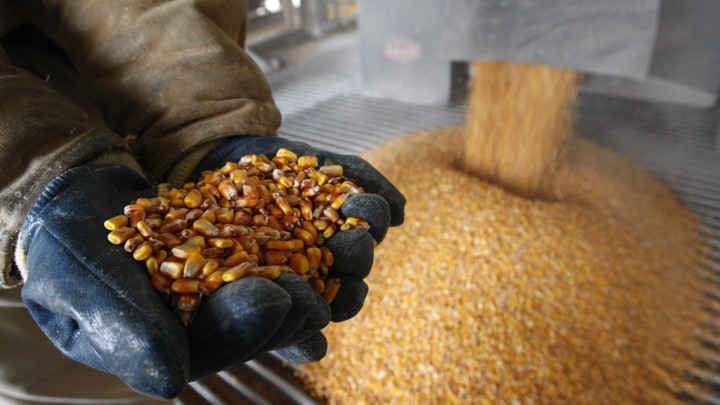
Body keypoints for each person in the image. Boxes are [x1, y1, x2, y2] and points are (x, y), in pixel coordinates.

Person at [0, 1, 405, 403]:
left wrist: (200, 121)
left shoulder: (221, 223)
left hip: (117, 97)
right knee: (63, 366)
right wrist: (28, 175)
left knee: (150, 348)